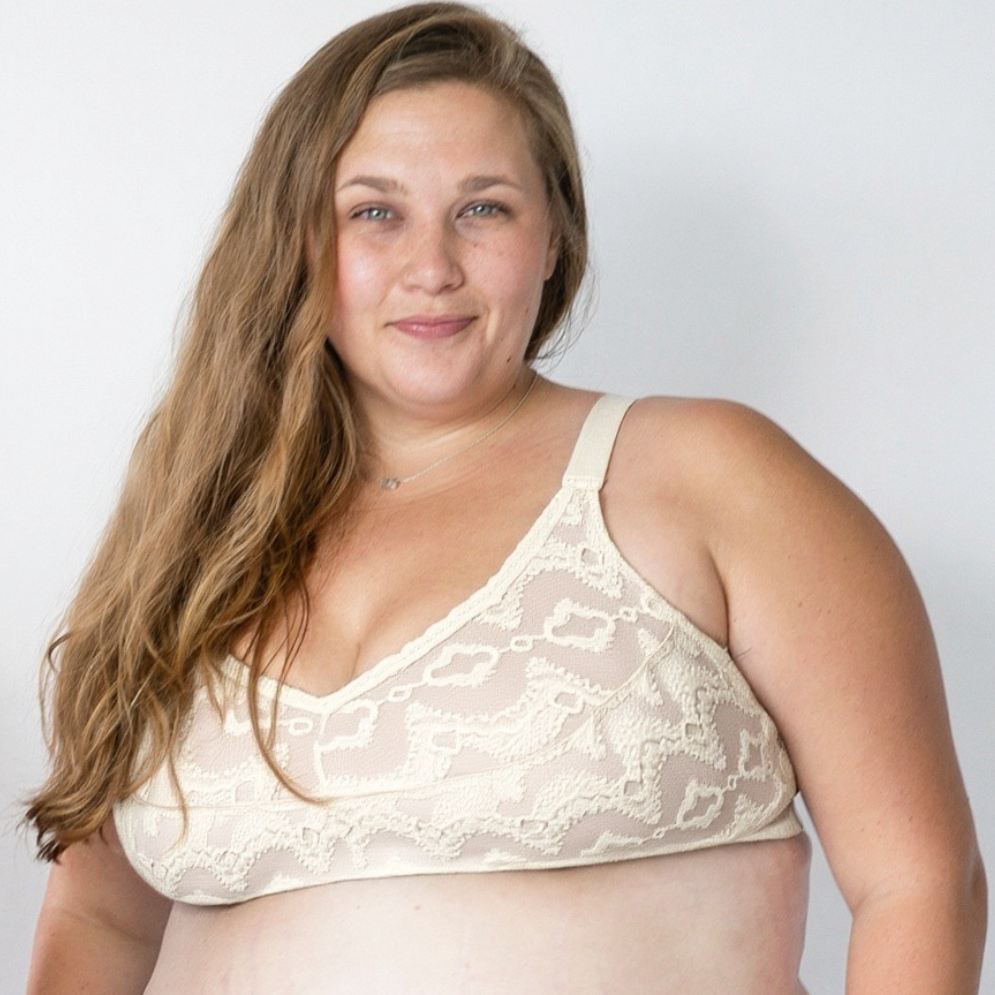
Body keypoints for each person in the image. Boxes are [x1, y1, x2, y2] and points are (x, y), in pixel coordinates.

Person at [24, 3, 986, 993]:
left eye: (482, 208)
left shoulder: (709, 475)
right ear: (300, 243)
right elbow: (99, 916)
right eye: (374, 211)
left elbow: (916, 878)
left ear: (555, 237)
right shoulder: (190, 538)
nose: (431, 267)